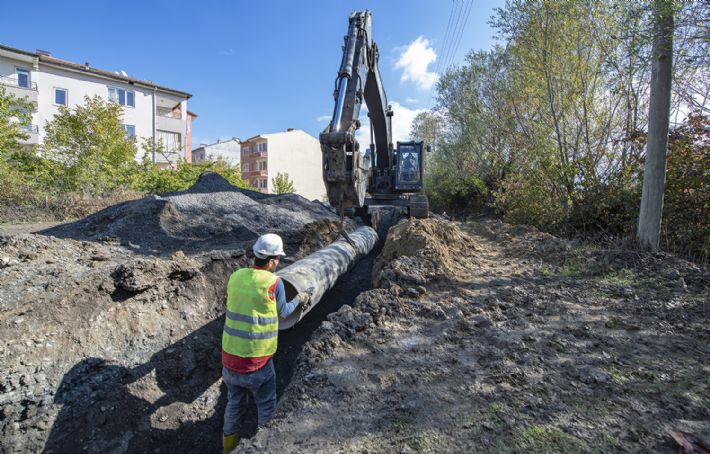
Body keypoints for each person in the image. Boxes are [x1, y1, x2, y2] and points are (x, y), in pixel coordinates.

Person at [221, 233, 310, 453]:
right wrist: (300, 298)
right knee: (266, 405)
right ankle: (264, 447)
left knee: (234, 404)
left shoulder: (236, 276)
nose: (279, 263)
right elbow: (284, 313)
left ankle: (228, 449)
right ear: (271, 261)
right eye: (278, 259)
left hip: (230, 360)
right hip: (257, 363)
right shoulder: (274, 282)